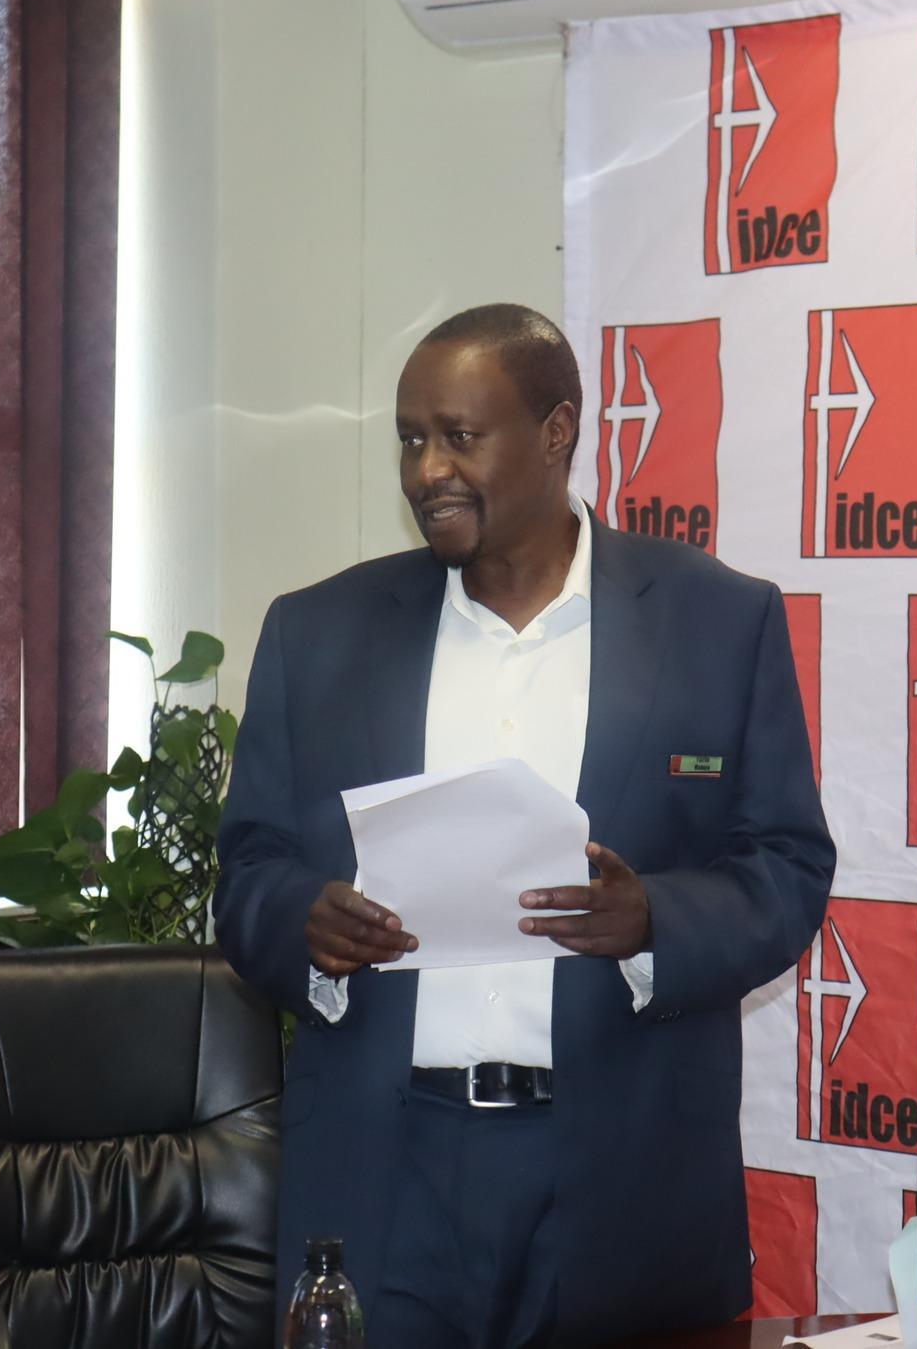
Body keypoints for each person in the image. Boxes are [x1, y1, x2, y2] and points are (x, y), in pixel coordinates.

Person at [216, 303, 833, 1347]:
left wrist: (654, 920)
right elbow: (248, 870)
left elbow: (786, 864)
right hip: (385, 1175)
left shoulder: (718, 621)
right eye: (411, 440)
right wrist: (304, 924)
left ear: (557, 431)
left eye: (459, 436)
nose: (427, 472)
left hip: (624, 1177)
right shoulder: (315, 633)